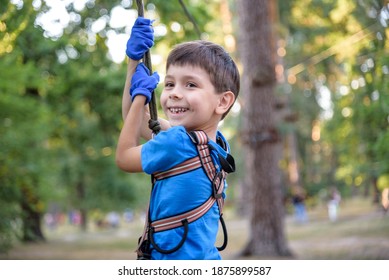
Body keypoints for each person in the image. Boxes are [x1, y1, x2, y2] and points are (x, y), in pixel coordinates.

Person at [116, 17, 240, 260]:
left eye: (190, 85)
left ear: (223, 101)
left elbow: (123, 157)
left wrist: (140, 95)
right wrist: (134, 62)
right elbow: (140, 122)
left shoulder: (178, 143)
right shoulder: (214, 146)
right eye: (170, 84)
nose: (174, 94)